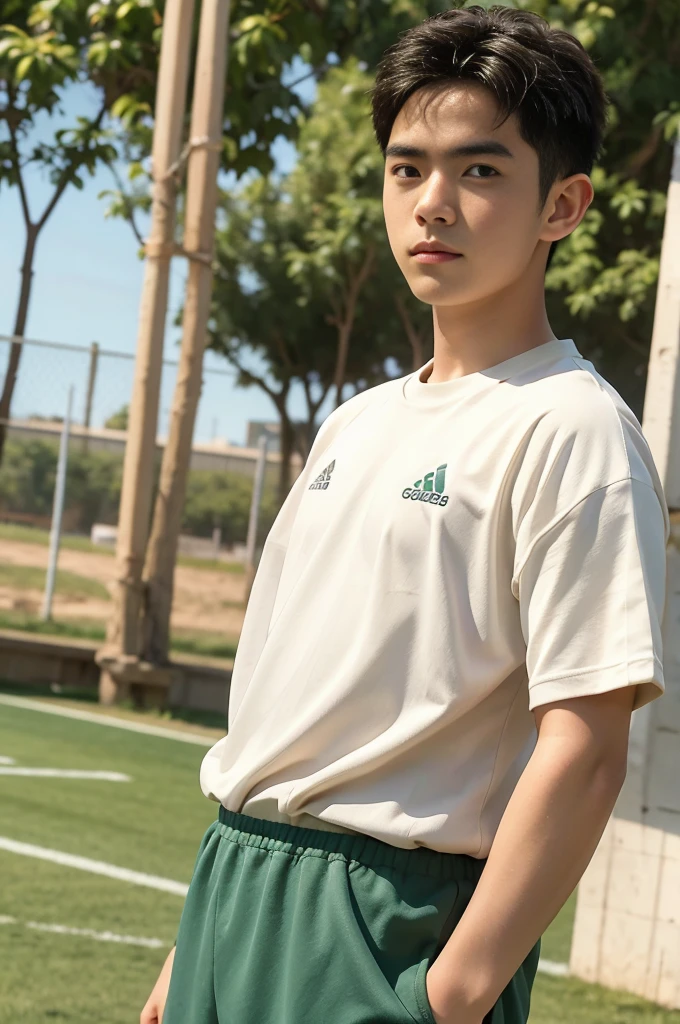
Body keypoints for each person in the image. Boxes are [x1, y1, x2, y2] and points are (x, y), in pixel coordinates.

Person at [141, 7, 670, 1024]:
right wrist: (192, 941)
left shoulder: (571, 430)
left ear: (560, 204)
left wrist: (454, 989)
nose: (432, 203)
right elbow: (280, 716)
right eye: (405, 168)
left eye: (478, 172)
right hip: (236, 886)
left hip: (386, 924)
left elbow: (586, 742)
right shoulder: (353, 424)